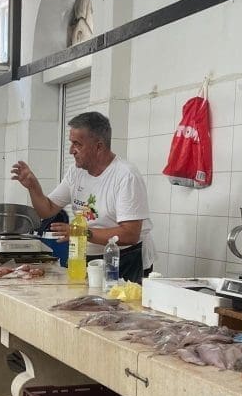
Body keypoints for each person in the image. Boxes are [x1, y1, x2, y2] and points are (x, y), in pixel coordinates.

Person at [11, 111, 155, 282]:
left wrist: (81, 232)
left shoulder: (126, 176)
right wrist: (33, 187)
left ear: (99, 146)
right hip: (87, 255)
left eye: (77, 144)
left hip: (126, 258)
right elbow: (47, 210)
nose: (71, 151)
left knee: (120, 300)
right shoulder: (76, 172)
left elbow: (130, 234)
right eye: (71, 143)